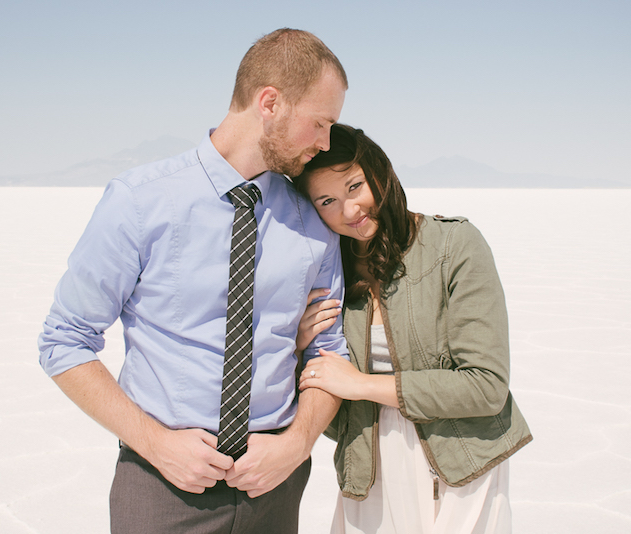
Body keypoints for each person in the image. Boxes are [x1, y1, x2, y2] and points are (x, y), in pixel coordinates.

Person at [38, 29, 350, 533]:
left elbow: (329, 352)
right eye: (321, 122)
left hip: (273, 484)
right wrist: (156, 443)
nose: (326, 143)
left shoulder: (313, 221)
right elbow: (64, 341)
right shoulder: (140, 202)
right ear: (270, 102)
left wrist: (296, 445)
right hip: (163, 483)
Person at [292, 124, 532, 534]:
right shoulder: (332, 275)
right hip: (371, 466)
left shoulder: (453, 245)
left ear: (378, 173)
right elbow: (335, 412)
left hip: (462, 466)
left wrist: (362, 385)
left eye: (354, 186)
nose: (350, 210)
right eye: (327, 200)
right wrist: (299, 351)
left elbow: (486, 386)